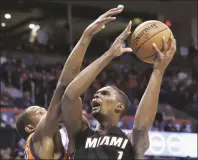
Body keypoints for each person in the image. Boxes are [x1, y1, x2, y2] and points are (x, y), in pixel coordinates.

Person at [15, 6, 124, 159]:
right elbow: (63, 86)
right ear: (30, 128)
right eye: (40, 112)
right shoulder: (38, 138)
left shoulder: (57, 147)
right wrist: (88, 37)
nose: (47, 112)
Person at [61, 19, 177, 159]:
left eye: (105, 94)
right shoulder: (80, 133)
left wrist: (158, 71)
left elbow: (141, 126)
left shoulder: (131, 142)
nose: (96, 96)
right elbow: (69, 96)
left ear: (120, 106)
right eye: (97, 94)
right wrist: (109, 54)